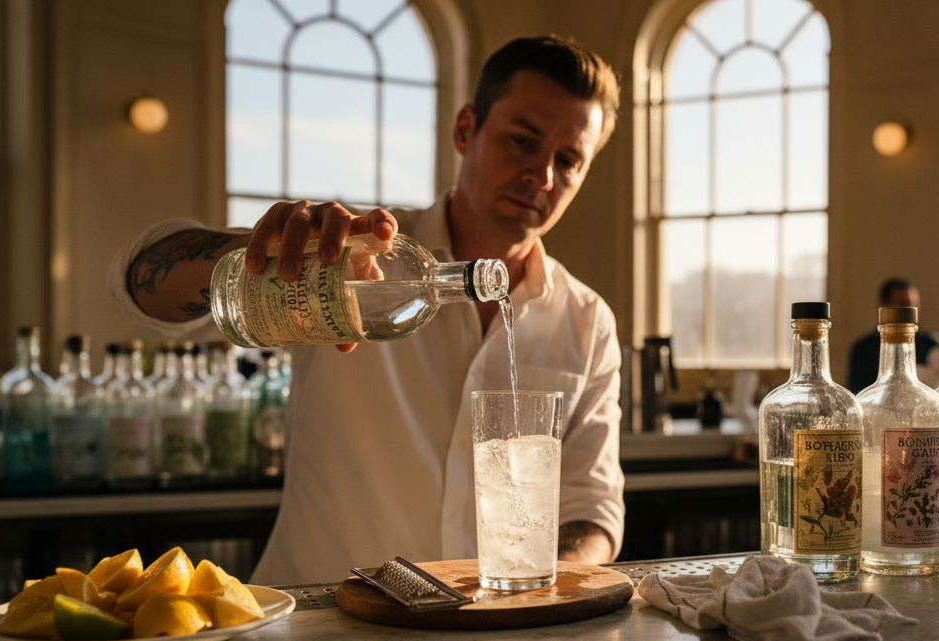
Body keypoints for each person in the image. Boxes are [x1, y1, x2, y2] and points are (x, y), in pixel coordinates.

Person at [107, 36, 624, 584]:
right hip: (318, 627)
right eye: (522, 142)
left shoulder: (587, 322)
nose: (542, 176)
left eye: (568, 161)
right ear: (465, 130)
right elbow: (137, 286)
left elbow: (592, 509)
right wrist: (262, 256)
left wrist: (533, 584)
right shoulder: (355, 259)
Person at [846, 277, 939, 392]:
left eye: (914, 305)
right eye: (903, 304)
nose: (909, 310)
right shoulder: (863, 348)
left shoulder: (931, 343)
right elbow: (857, 391)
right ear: (883, 306)